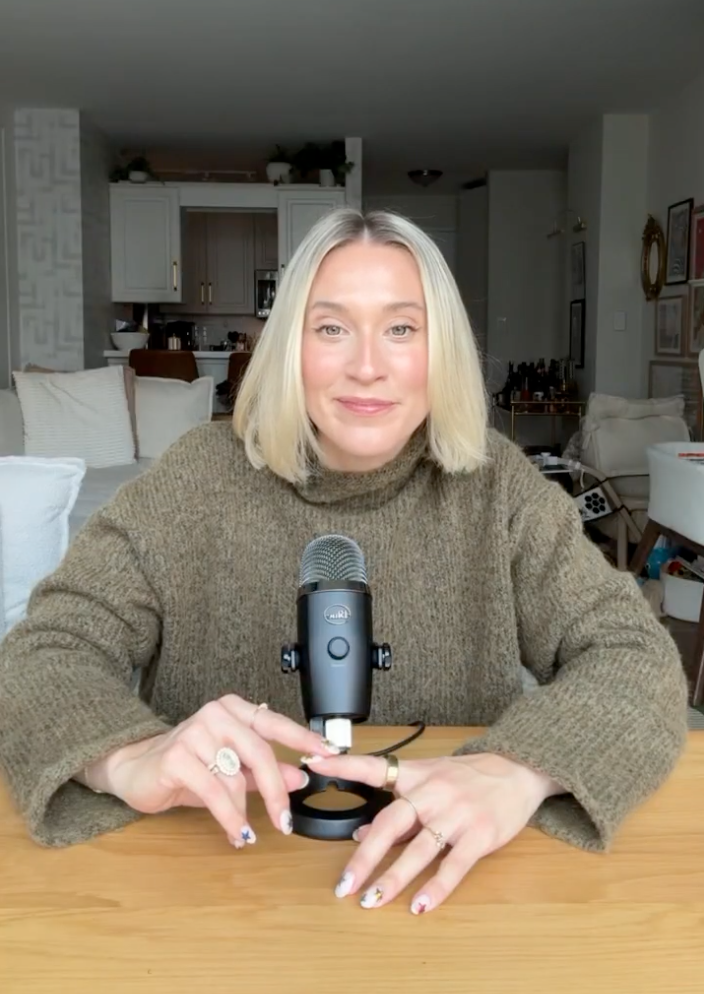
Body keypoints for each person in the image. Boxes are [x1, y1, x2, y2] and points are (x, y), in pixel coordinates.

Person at [0, 208, 688, 916]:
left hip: (452, 893)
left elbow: (632, 653)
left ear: (440, 350)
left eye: (401, 328)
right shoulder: (193, 480)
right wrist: (124, 755)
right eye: (331, 327)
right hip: (215, 892)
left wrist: (519, 770)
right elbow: (48, 647)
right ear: (290, 347)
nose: (367, 364)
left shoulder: (498, 487)